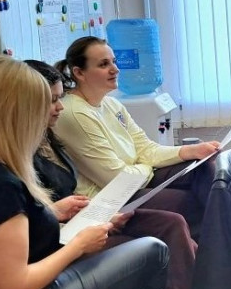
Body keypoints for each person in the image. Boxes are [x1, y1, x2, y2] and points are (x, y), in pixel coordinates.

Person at [0, 56, 169, 289]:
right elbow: (13, 288)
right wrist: (78, 245)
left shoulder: (7, 176)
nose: (53, 113)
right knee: (154, 250)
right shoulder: (2, 183)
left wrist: (52, 214)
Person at [51, 36, 219, 240]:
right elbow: (117, 178)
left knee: (204, 168)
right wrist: (146, 167)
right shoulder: (74, 113)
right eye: (104, 64)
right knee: (188, 202)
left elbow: (145, 148)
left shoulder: (112, 104)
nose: (115, 69)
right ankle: (219, 246)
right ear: (79, 73)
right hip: (110, 196)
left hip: (135, 179)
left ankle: (228, 238)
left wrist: (191, 151)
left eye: (114, 61)